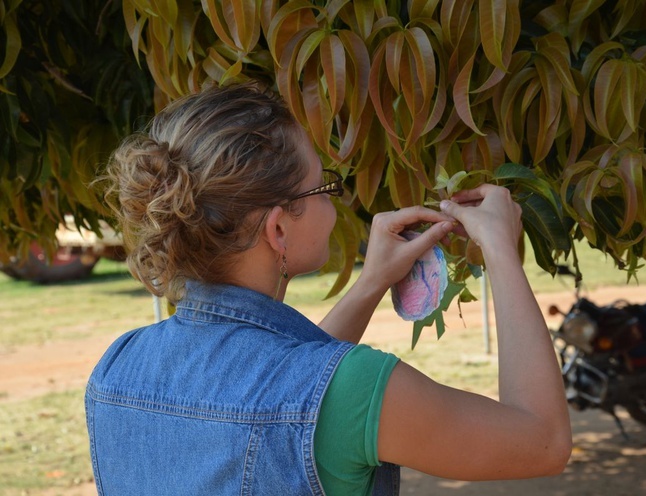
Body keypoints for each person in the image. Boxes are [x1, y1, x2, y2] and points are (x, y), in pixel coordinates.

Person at [85, 81, 571, 496]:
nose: (335, 203)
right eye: (323, 188)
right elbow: (542, 441)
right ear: (278, 230)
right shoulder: (353, 386)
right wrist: (501, 248)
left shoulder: (119, 365)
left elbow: (290, 386)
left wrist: (372, 282)